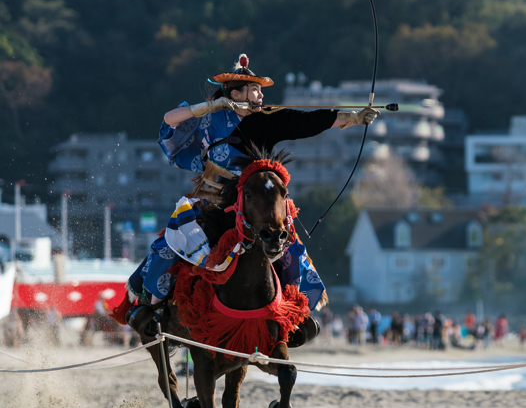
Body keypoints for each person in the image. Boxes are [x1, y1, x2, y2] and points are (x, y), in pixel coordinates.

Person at [120, 54, 377, 338]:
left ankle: (295, 312)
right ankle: (151, 308)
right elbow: (170, 120)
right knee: (174, 239)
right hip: (213, 200)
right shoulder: (211, 117)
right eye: (254, 89)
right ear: (236, 94)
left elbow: (307, 121)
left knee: (286, 242)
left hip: (253, 203)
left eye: (259, 90)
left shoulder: (266, 119)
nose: (260, 95)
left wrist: (354, 117)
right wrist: (212, 106)